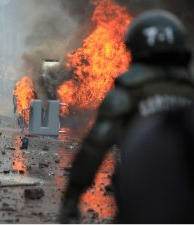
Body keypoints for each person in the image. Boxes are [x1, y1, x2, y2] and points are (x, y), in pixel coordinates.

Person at [60, 9, 194, 224]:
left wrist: (71, 200)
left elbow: (94, 148)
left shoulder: (127, 91)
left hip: (142, 198)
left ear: (134, 47)